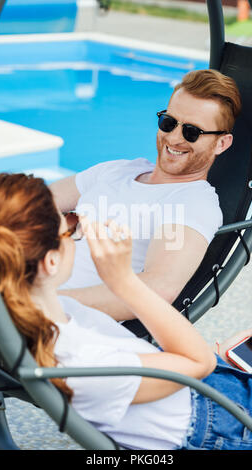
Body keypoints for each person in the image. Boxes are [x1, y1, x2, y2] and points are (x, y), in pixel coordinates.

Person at [0, 172, 252, 451]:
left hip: (208, 392)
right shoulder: (83, 363)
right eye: (69, 227)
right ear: (50, 263)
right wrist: (122, 280)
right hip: (228, 423)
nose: (79, 227)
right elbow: (197, 363)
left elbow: (180, 365)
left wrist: (222, 364)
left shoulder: (29, 314)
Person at [50, 69, 242, 320]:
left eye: (192, 132)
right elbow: (33, 201)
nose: (174, 138)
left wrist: (43, 303)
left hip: (54, 317)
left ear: (221, 143)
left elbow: (157, 289)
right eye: (169, 123)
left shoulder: (192, 203)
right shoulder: (118, 170)